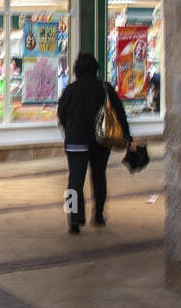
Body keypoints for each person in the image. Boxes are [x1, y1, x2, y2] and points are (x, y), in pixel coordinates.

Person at [57, 52, 134, 233]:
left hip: (75, 140)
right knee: (99, 177)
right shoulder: (104, 88)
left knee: (74, 181)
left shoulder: (71, 90)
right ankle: (98, 214)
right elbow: (120, 113)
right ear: (96, 69)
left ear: (76, 70)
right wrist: (128, 137)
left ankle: (74, 221)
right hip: (101, 141)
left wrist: (70, 128)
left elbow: (61, 113)